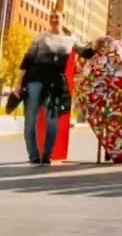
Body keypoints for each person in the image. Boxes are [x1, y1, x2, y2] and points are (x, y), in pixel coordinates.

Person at [11, 12, 93, 165]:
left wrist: (100, 45)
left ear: (63, 19)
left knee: (53, 121)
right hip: (35, 80)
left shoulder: (71, 39)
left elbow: (87, 53)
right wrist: (18, 83)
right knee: (30, 120)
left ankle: (47, 154)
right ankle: (33, 154)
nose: (54, 19)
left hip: (55, 83)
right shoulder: (40, 37)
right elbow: (27, 60)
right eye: (52, 17)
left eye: (57, 17)